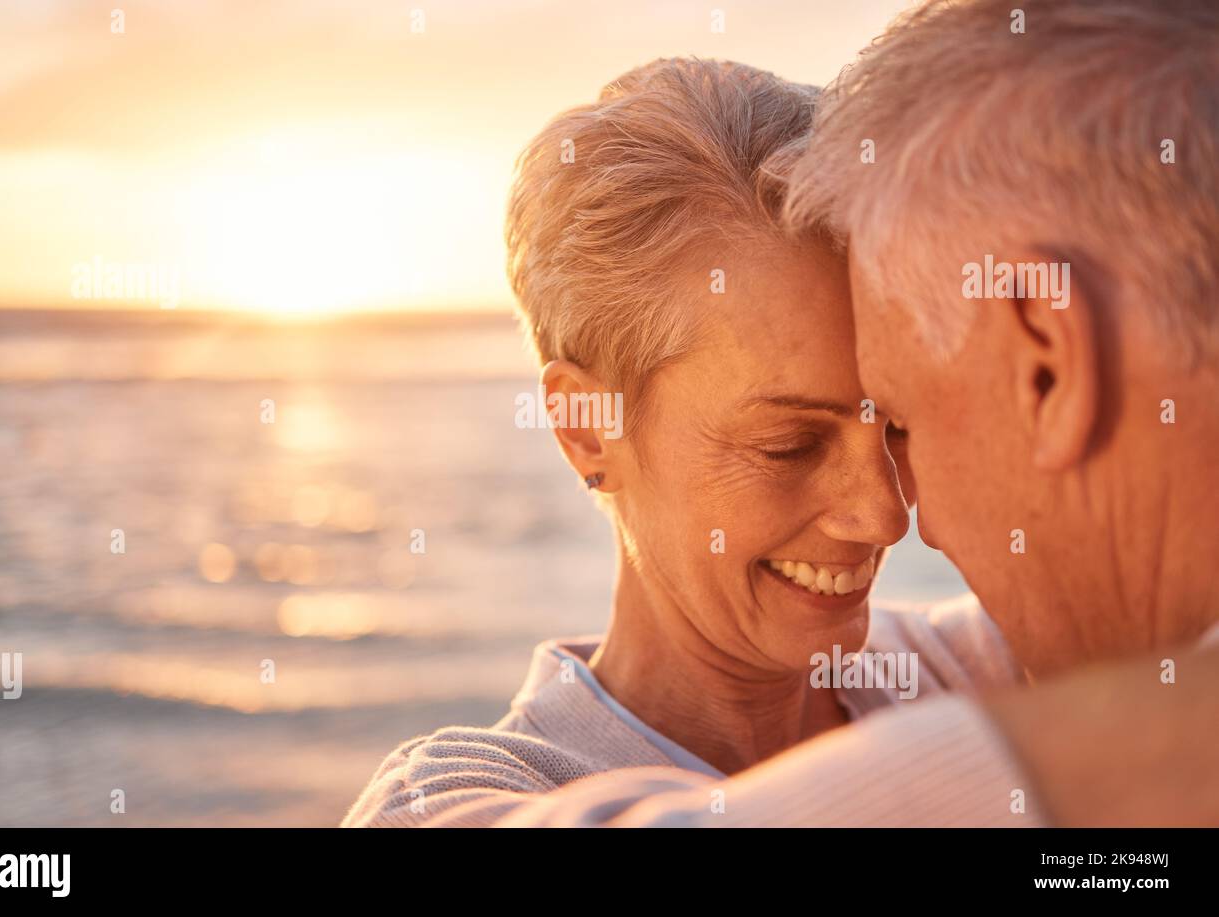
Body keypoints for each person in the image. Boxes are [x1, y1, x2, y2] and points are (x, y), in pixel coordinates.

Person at [350, 0, 1219, 827]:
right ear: (586, 426)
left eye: (898, 427)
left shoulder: (980, 667)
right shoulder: (453, 797)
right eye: (790, 443)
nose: (884, 514)